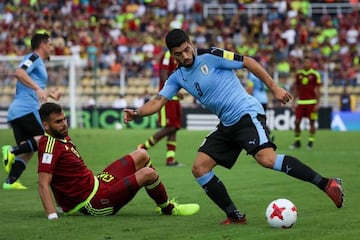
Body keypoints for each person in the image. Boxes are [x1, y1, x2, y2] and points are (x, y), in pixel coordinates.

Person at [123, 29, 344, 224]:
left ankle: (327, 184)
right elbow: (158, 101)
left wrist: (274, 88)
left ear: (191, 43)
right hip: (227, 124)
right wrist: (137, 112)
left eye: (187, 49)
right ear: (172, 54)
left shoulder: (212, 55)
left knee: (266, 159)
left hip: (246, 114)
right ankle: (235, 216)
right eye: (178, 54)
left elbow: (248, 61)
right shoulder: (178, 77)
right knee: (199, 167)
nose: (185, 56)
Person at [37, 102, 200, 220]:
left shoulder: (58, 136)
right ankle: (168, 209)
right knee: (148, 174)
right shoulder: (50, 145)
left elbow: (38, 141)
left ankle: (161, 201)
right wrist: (52, 215)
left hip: (97, 183)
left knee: (141, 154)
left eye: (64, 119)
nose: (64, 124)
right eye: (58, 122)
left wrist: (17, 149)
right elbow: (43, 183)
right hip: (92, 203)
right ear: (46, 125)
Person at [2, 32, 61, 190]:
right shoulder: (34, 58)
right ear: (42, 45)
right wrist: (38, 89)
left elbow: (32, 88)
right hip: (26, 109)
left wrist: (48, 93)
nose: (52, 47)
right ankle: (11, 150)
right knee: (46, 139)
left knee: (29, 149)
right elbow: (19, 72)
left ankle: (10, 182)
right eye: (50, 44)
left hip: (17, 111)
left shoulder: (39, 62)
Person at [137, 50, 183, 166]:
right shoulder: (168, 54)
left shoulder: (179, 54)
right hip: (167, 97)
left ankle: (170, 160)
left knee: (174, 128)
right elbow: (163, 73)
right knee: (170, 127)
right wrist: (172, 90)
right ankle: (142, 148)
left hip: (174, 98)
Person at [290, 55, 321, 149]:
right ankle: (297, 141)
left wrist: (318, 103)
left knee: (312, 122)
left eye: (308, 62)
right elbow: (296, 90)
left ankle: (310, 142)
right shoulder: (299, 75)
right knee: (296, 122)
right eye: (304, 62)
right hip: (301, 103)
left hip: (312, 102)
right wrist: (293, 101)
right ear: (303, 63)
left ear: (311, 63)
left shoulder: (315, 74)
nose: (306, 64)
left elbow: (318, 89)